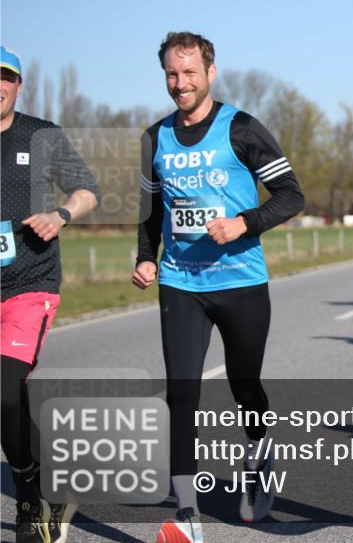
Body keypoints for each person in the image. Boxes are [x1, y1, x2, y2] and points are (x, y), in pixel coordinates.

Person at [132, 32, 304, 541]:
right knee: (181, 393)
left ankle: (259, 453)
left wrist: (242, 224)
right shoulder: (154, 139)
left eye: (189, 73)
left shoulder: (242, 129)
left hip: (241, 282)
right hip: (181, 282)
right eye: (171, 73)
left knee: (244, 385)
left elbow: (291, 196)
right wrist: (146, 257)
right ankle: (188, 517)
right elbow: (150, 212)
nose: (179, 83)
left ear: (210, 72)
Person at [1, 45, 100, 543]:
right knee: (8, 399)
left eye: (5, 77)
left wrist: (60, 215)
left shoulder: (41, 135)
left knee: (3, 388)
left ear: (19, 86)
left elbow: (86, 190)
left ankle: (27, 503)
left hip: (29, 284)